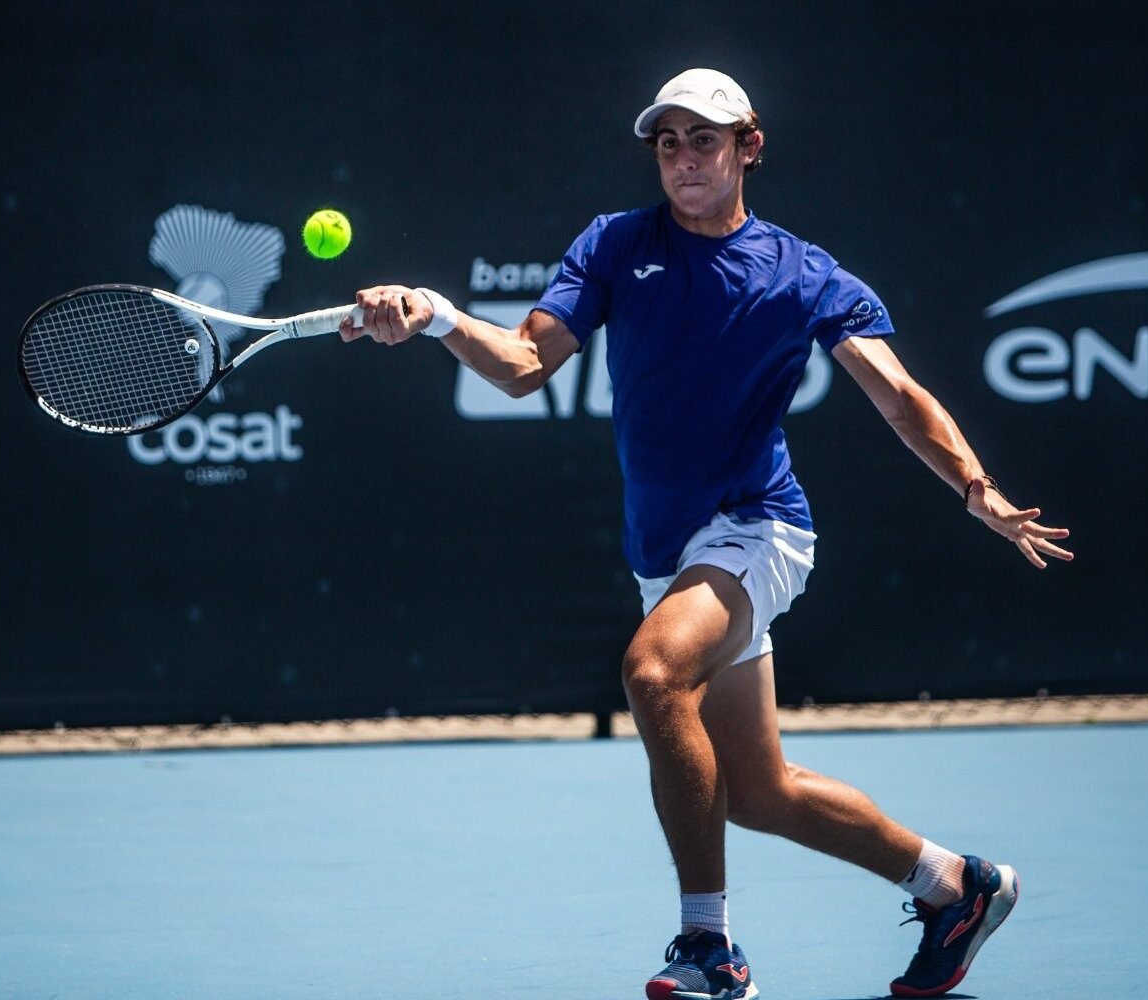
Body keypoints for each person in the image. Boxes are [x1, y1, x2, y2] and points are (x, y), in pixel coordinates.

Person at [341, 67, 1072, 1000]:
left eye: (705, 139)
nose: (684, 157)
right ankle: (954, 886)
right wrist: (437, 315)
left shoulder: (803, 274)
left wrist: (977, 486)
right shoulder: (614, 245)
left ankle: (708, 950)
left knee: (652, 672)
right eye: (668, 141)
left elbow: (898, 396)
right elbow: (526, 365)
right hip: (668, 550)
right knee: (759, 793)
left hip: (757, 528)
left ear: (748, 147)